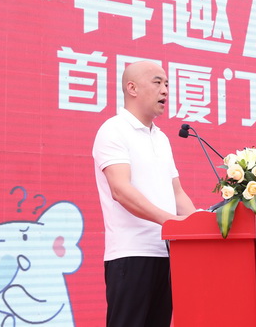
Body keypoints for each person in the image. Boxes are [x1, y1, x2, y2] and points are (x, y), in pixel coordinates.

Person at [92, 60, 196, 327]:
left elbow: (177, 193)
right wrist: (170, 222)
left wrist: (198, 226)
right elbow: (120, 190)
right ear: (132, 88)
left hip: (167, 253)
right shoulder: (113, 130)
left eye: (167, 84)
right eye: (157, 83)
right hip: (131, 254)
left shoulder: (161, 138)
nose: (165, 90)